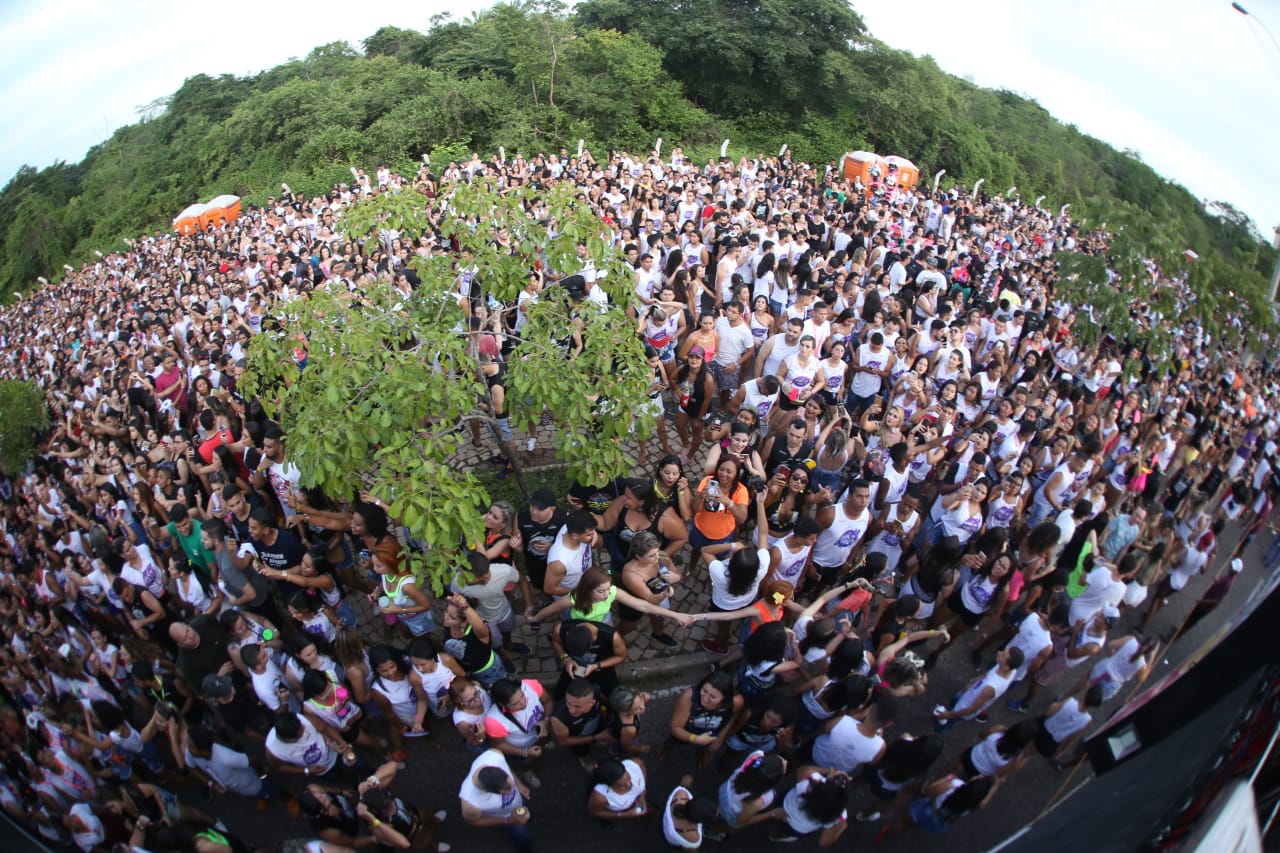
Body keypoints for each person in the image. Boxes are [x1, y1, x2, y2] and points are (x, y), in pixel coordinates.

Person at [458, 748, 533, 853]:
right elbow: (474, 821)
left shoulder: (495, 755)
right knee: (522, 837)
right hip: (506, 817)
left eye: (511, 785)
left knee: (526, 812)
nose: (513, 790)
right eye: (507, 791)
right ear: (490, 792)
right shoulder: (470, 803)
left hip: (518, 803)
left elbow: (507, 768)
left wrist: (519, 784)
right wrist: (508, 821)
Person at [769, 767, 850, 845]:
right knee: (785, 832)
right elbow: (824, 842)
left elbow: (803, 770)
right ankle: (776, 836)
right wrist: (841, 828)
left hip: (785, 804)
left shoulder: (809, 783)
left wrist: (829, 771)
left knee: (774, 810)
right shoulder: (840, 816)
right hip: (798, 827)